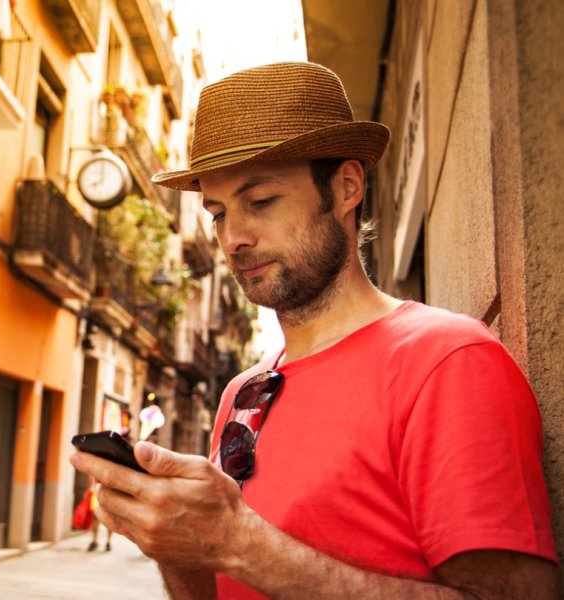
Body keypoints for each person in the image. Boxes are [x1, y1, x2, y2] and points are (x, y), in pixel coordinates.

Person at [70, 62, 558, 599]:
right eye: (217, 212)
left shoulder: (447, 361)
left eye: (261, 202)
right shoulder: (241, 393)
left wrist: (239, 542)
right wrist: (177, 545)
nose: (233, 237)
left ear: (346, 187)